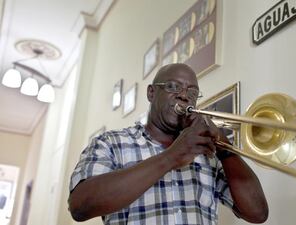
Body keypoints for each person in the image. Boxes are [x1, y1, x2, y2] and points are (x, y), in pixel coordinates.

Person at [68, 63, 268, 225]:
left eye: (192, 92)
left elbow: (257, 213)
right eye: (173, 86)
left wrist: (224, 148)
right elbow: (80, 207)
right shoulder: (111, 143)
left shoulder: (208, 153)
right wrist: (172, 156)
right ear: (151, 93)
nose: (184, 96)